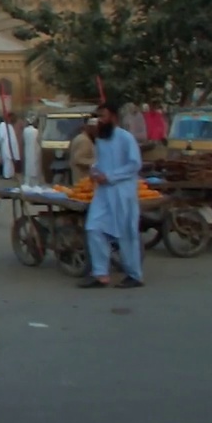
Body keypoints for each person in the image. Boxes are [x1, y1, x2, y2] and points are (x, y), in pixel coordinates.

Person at [79, 102, 145, 289]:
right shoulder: (100, 140)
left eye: (104, 116)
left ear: (114, 117)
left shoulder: (126, 138)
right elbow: (99, 162)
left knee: (127, 234)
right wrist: (94, 171)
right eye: (98, 117)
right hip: (103, 193)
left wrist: (110, 176)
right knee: (94, 228)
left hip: (122, 193)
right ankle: (100, 274)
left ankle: (134, 275)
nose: (100, 120)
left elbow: (134, 165)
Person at [69, 118, 98, 185]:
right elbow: (79, 160)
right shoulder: (84, 140)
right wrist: (97, 163)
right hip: (83, 182)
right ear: (90, 128)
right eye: (96, 129)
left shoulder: (83, 138)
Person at [0, 113, 21, 183]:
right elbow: (1, 137)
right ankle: (7, 175)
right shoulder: (2, 125)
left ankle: (10, 175)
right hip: (6, 146)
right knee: (7, 160)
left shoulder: (9, 126)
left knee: (10, 161)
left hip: (10, 146)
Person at [22, 114, 42, 187]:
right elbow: (39, 141)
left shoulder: (25, 130)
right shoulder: (35, 131)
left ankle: (28, 182)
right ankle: (34, 184)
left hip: (27, 150)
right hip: (35, 150)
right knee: (34, 166)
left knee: (28, 166)